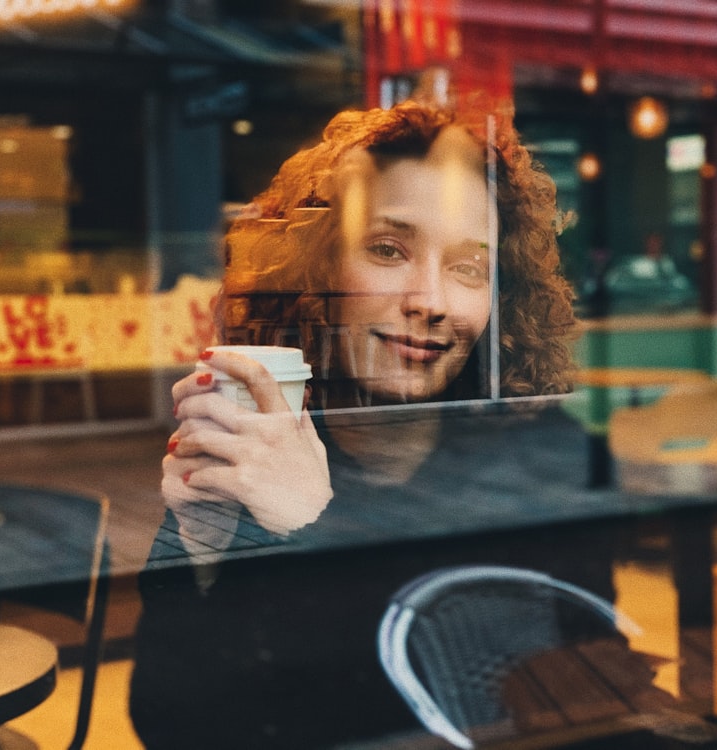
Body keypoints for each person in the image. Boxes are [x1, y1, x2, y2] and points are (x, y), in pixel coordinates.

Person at [129, 96, 629, 749]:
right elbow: (168, 724)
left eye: (469, 267)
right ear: (317, 268)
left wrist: (310, 529)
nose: (429, 301)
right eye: (389, 249)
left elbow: (598, 696)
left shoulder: (550, 456)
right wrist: (199, 551)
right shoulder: (258, 455)